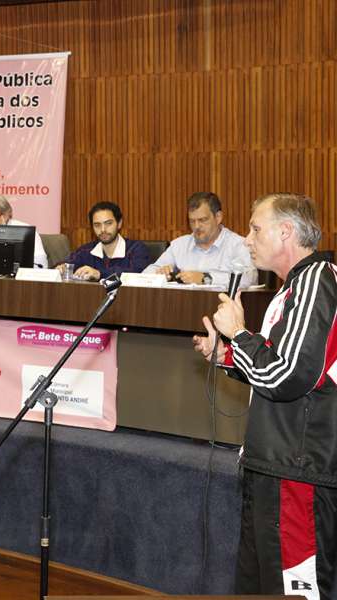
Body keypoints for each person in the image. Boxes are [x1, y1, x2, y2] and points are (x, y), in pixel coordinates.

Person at [192, 193, 337, 599]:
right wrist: (225, 353)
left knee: (292, 589)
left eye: (256, 229)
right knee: (258, 587)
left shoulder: (316, 283)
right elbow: (277, 365)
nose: (247, 240)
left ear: (286, 231)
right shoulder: (294, 288)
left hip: (296, 471)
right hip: (273, 466)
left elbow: (287, 376)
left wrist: (238, 333)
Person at [143, 192, 256, 288]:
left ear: (218, 217)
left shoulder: (239, 245)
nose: (196, 226)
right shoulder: (180, 245)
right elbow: (146, 274)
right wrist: (159, 273)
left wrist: (207, 278)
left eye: (202, 220)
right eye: (192, 221)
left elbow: (249, 278)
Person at [57, 201, 149, 280]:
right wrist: (60, 268)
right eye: (97, 225)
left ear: (119, 223)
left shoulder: (136, 249)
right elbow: (66, 264)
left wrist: (99, 274)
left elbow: (138, 275)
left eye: (108, 223)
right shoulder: (86, 250)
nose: (103, 230)